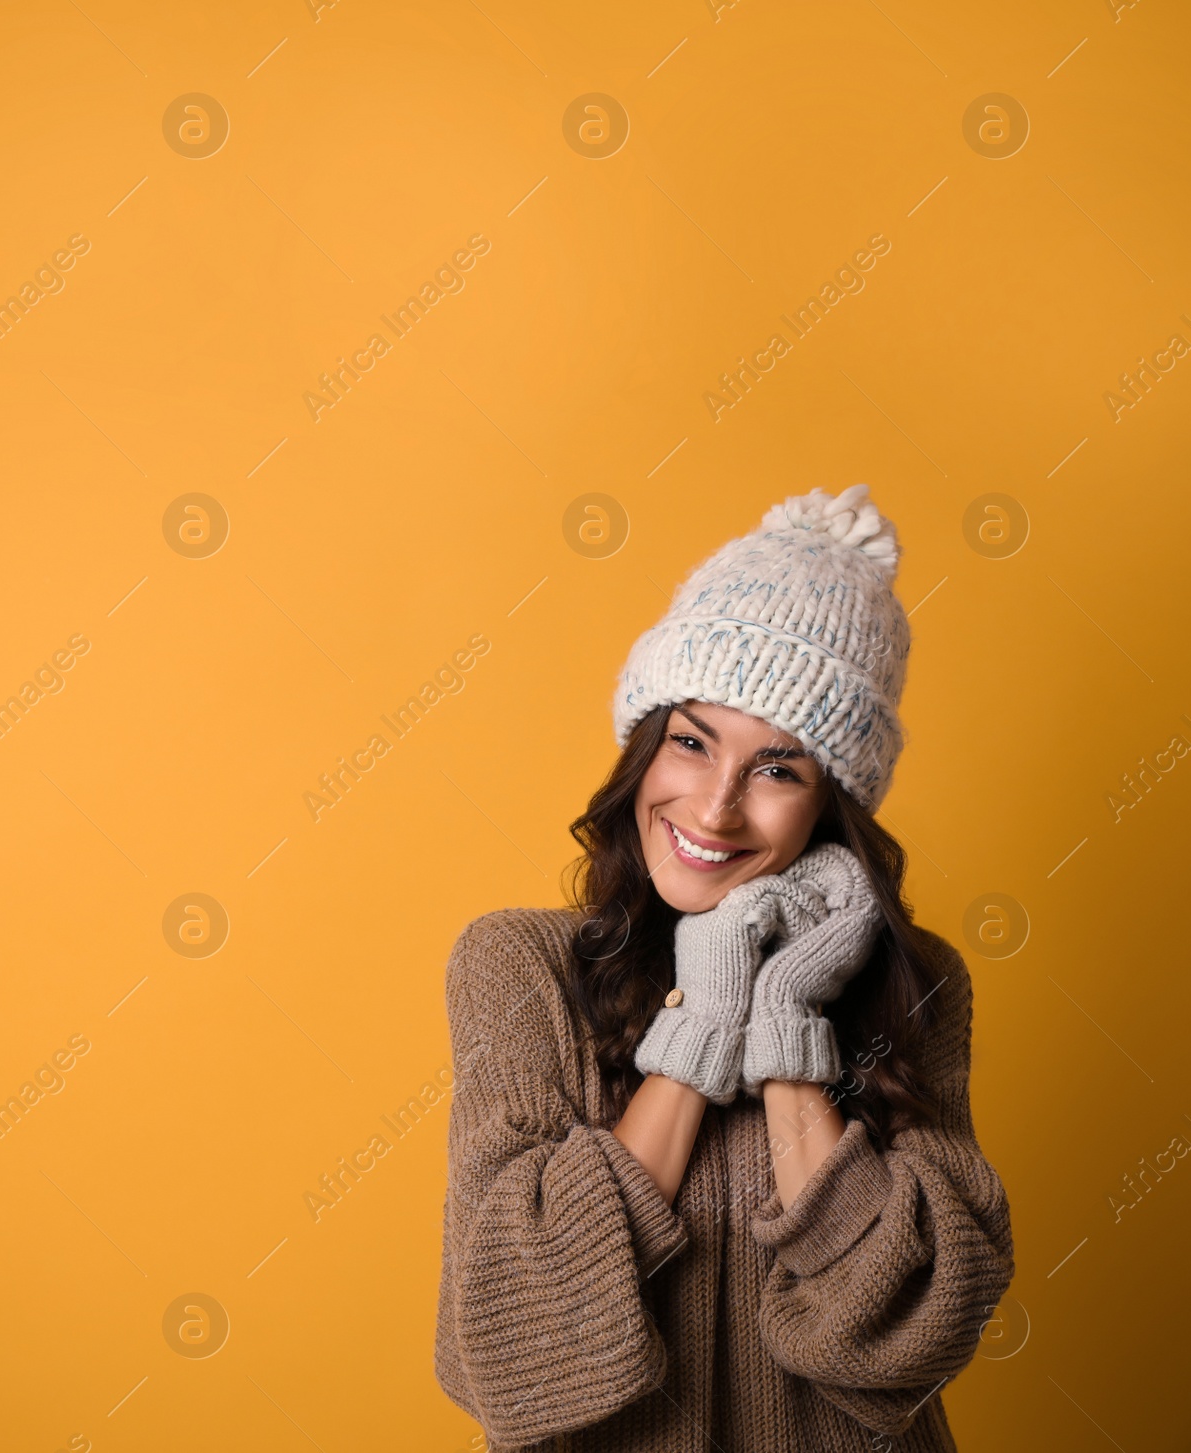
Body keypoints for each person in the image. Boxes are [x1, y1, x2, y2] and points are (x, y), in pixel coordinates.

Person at [433, 484, 1014, 1451]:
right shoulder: (516, 965)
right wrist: (705, 1016)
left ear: (833, 807)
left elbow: (912, 1328)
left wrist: (785, 1013)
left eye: (778, 770)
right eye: (692, 743)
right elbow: (514, 1333)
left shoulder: (917, 982)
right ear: (643, 750)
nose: (713, 809)